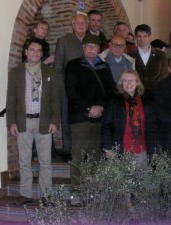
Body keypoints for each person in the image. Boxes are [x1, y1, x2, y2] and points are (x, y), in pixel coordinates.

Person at [6, 38, 60, 205]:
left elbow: (55, 100)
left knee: (45, 161)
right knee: (24, 160)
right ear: (26, 52)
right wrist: (12, 122)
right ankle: (25, 193)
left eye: (38, 51)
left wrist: (54, 121)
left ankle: (47, 194)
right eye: (32, 50)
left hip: (43, 121)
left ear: (42, 54)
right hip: (24, 121)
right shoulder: (15, 73)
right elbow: (11, 99)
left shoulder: (50, 72)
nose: (35, 53)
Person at [65, 34, 116, 169]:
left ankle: (94, 190)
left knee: (96, 158)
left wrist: (100, 107)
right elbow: (71, 92)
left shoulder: (104, 66)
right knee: (78, 157)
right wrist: (89, 108)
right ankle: (77, 190)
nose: (91, 49)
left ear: (99, 49)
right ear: (83, 48)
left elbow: (110, 91)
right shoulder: (73, 65)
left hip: (99, 118)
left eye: (94, 46)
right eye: (88, 46)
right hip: (80, 118)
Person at [101, 70, 159, 162]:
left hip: (142, 151)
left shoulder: (147, 101)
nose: (128, 83)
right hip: (120, 153)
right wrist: (107, 148)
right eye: (125, 80)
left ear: (137, 82)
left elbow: (153, 127)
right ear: (121, 83)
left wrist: (155, 149)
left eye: (132, 80)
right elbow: (107, 126)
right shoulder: (114, 102)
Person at [54, 14, 88, 156]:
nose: (81, 25)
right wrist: (62, 88)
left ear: (87, 25)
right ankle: (69, 149)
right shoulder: (64, 41)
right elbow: (58, 67)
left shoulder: (91, 40)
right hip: (67, 88)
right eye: (78, 23)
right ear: (72, 25)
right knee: (67, 118)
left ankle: (86, 150)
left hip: (86, 89)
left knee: (85, 119)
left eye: (83, 23)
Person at [133, 24, 169, 98]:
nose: (142, 39)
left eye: (145, 36)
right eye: (139, 36)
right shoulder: (130, 54)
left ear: (150, 37)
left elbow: (164, 75)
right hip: (136, 94)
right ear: (136, 38)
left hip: (156, 94)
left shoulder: (160, 55)